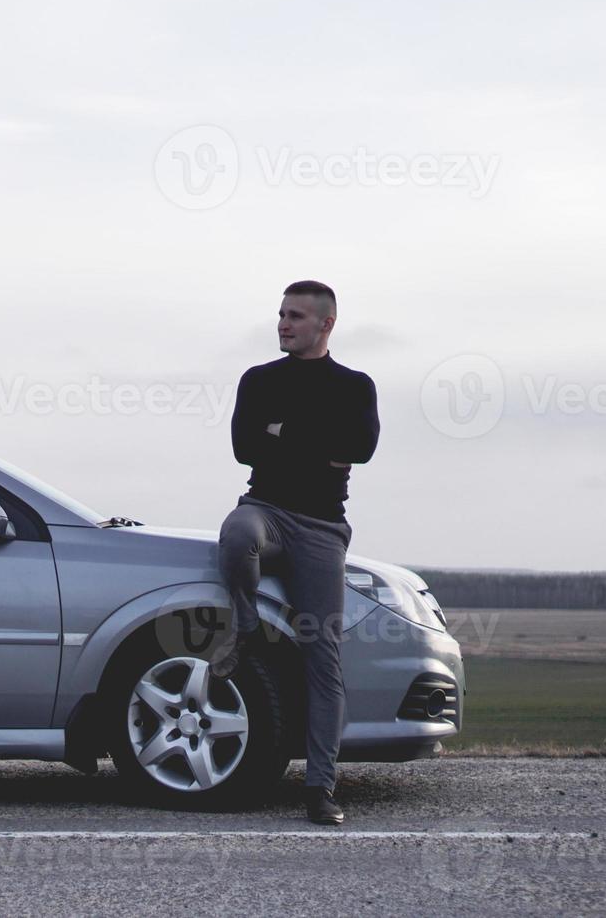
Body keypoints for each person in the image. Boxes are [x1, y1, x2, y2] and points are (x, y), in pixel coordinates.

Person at [209, 280, 379, 825]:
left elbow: (360, 449)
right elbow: (243, 449)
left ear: (326, 324)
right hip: (265, 511)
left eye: (297, 316)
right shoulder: (258, 380)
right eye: (281, 314)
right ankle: (245, 624)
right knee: (236, 533)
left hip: (321, 529)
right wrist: (313, 442)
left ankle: (320, 788)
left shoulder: (355, 385)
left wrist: (281, 432)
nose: (283, 323)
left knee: (321, 655)